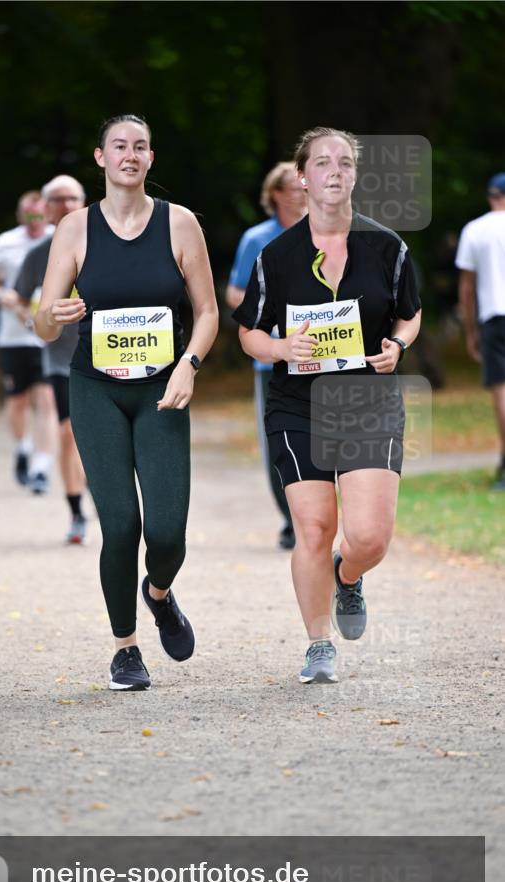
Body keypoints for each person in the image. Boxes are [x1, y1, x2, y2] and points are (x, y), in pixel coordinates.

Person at [36, 114, 218, 692]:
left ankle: (158, 593)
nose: (130, 155)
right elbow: (42, 322)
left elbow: (208, 312)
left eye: (140, 146)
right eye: (119, 146)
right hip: (96, 388)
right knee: (120, 526)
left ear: (150, 158)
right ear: (101, 157)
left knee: (166, 533)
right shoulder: (75, 228)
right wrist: (53, 314)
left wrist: (189, 365)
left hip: (163, 389)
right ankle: (125, 649)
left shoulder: (179, 223)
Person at [235, 127, 421, 684]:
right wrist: (280, 348)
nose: (334, 171)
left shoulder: (387, 247)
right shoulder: (276, 255)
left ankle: (348, 574)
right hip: (299, 404)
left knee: (369, 538)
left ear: (355, 175)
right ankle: (319, 644)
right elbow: (248, 332)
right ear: (302, 177)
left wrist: (398, 346)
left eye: (344, 162)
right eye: (322, 162)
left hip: (369, 401)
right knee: (314, 528)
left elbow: (409, 314)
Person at [226, 163, 307, 550]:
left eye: (304, 186)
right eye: (293, 187)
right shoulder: (256, 238)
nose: (301, 193)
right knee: (278, 443)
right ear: (275, 194)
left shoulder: (324, 233)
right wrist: (266, 322)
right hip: (271, 359)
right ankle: (292, 519)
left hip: (323, 355)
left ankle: (316, 517)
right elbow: (234, 292)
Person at [14, 174, 88, 542]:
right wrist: (36, 322)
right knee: (68, 434)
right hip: (61, 358)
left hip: (108, 355)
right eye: (57, 199)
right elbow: (19, 299)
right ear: (45, 208)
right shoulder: (37, 255)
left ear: (83, 202)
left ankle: (101, 489)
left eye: (72, 198)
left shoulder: (107, 244)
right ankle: (76, 513)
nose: (66, 205)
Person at [0, 192, 57, 494]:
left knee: (46, 400)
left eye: (40, 214)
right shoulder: (6, 242)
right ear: (20, 215)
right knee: (17, 401)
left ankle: (41, 467)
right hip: (13, 336)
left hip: (48, 335)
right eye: (29, 215)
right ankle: (22, 447)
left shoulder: (59, 237)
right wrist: (3, 296)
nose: (35, 221)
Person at [455, 172, 505, 491]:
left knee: (501, 390)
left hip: (494, 316)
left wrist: (470, 331)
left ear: (491, 196)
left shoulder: (475, 230)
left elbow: (467, 287)